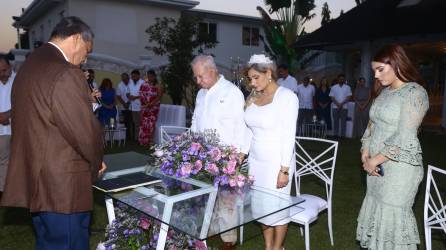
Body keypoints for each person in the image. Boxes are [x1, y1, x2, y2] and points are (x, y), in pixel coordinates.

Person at [0, 16, 106, 250]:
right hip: (62, 188)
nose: (85, 59)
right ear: (77, 38)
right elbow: (84, 132)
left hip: (37, 182)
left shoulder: (29, 66)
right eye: (86, 51)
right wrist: (97, 161)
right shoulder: (66, 72)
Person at [357, 44, 429, 250]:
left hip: (399, 170)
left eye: (380, 69)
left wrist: (374, 161)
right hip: (376, 169)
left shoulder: (415, 93)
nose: (376, 75)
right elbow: (372, 125)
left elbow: (405, 137)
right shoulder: (384, 92)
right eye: (374, 71)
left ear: (396, 64)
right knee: (378, 216)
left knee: (393, 218)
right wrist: (365, 153)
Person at [242, 54, 298, 250]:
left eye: (256, 77)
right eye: (250, 78)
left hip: (278, 162)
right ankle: (268, 246)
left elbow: (289, 135)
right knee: (261, 207)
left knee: (278, 207)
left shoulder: (287, 97)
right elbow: (249, 131)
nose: (252, 82)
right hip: (256, 162)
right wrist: (241, 155)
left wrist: (284, 169)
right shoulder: (253, 97)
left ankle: (277, 247)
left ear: (269, 73)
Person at [190, 55, 245, 249]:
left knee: (227, 201)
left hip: (227, 157)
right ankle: (211, 231)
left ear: (212, 70)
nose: (198, 81)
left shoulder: (232, 92)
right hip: (203, 156)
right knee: (206, 198)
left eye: (200, 76)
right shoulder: (201, 94)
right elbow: (195, 122)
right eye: (195, 77)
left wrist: (238, 156)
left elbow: (242, 126)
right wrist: (191, 147)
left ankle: (229, 241)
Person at [0, 54, 15, 195]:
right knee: (3, 163)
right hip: (1, 131)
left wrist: (8, 114)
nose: (2, 74)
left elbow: (25, 101)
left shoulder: (19, 80)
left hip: (15, 130)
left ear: (10, 67)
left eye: (4, 70)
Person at [138, 70, 162, 145]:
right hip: (145, 107)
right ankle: (143, 141)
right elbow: (141, 95)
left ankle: (151, 140)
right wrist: (146, 103)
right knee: (144, 124)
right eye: (148, 76)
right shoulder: (143, 85)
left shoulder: (158, 85)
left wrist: (152, 103)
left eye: (151, 76)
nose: (149, 78)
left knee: (151, 124)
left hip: (154, 108)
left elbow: (159, 96)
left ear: (154, 77)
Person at [127, 69, 144, 141]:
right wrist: (129, 96)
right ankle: (136, 138)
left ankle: (142, 138)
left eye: (134, 76)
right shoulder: (130, 82)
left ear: (138, 75)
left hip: (141, 106)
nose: (133, 77)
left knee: (141, 123)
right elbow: (127, 92)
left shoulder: (142, 82)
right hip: (133, 106)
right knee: (135, 123)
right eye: (132, 76)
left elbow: (144, 94)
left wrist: (135, 97)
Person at [116, 72, 132, 138]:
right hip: (124, 106)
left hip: (133, 106)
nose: (125, 80)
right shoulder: (120, 85)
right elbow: (118, 96)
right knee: (126, 122)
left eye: (126, 79)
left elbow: (135, 94)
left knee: (133, 122)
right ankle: (127, 136)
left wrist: (128, 102)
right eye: (123, 79)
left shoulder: (132, 83)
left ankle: (134, 136)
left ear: (128, 78)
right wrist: (124, 104)